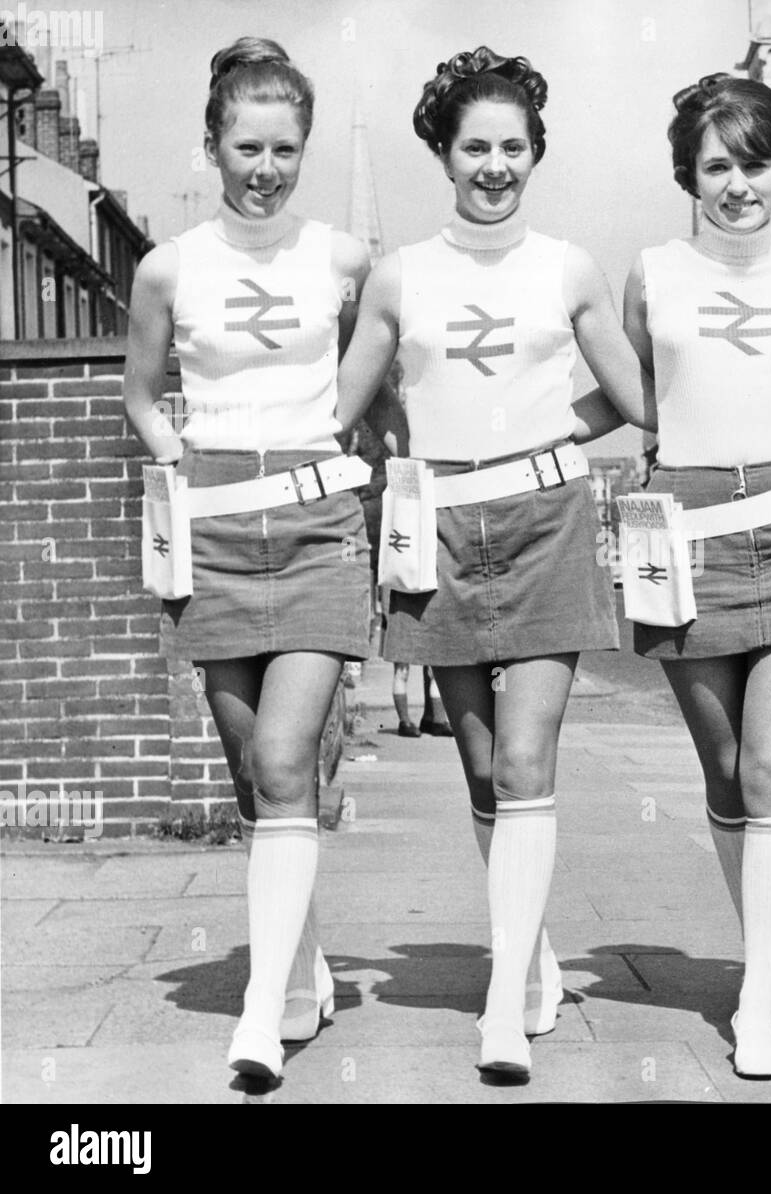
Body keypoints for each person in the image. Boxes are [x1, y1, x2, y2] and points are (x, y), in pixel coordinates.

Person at [336, 46, 651, 1078]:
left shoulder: (565, 267)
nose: (495, 165)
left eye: (513, 146)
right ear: (443, 150)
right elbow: (343, 410)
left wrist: (552, 430)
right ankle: (534, 953)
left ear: (535, 152)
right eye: (476, 145)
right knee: (479, 768)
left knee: (525, 764)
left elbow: (637, 398)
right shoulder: (397, 277)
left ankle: (504, 1006)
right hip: (438, 531)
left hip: (547, 520)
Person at [123, 36, 394, 1081]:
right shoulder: (167, 267)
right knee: (254, 777)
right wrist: (177, 462)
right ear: (213, 146)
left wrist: (354, 453)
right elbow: (142, 395)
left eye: (284, 148)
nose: (265, 167)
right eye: (247, 146)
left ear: (303, 150)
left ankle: (258, 1012)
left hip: (320, 530)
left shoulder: (342, 259)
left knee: (287, 761)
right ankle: (305, 968)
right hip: (216, 537)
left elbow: (383, 376)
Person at [623, 76, 771, 1079]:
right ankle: (759, 953)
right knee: (724, 773)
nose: (736, 185)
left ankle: (760, 989)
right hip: (687, 545)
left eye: (753, 164)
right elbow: (632, 398)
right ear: (689, 173)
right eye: (716, 166)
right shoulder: (650, 273)